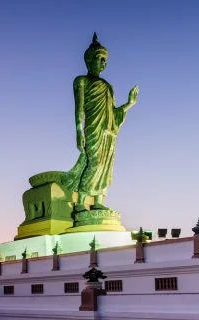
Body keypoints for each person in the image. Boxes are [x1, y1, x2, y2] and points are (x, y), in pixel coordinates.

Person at [62, 33, 139, 211]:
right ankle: (81, 202)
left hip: (109, 131)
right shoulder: (81, 81)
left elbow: (114, 112)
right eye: (99, 58)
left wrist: (129, 104)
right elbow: (79, 108)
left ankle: (98, 202)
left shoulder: (108, 85)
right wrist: (78, 131)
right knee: (94, 162)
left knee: (106, 166)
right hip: (93, 129)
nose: (103, 63)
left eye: (105, 59)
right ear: (88, 60)